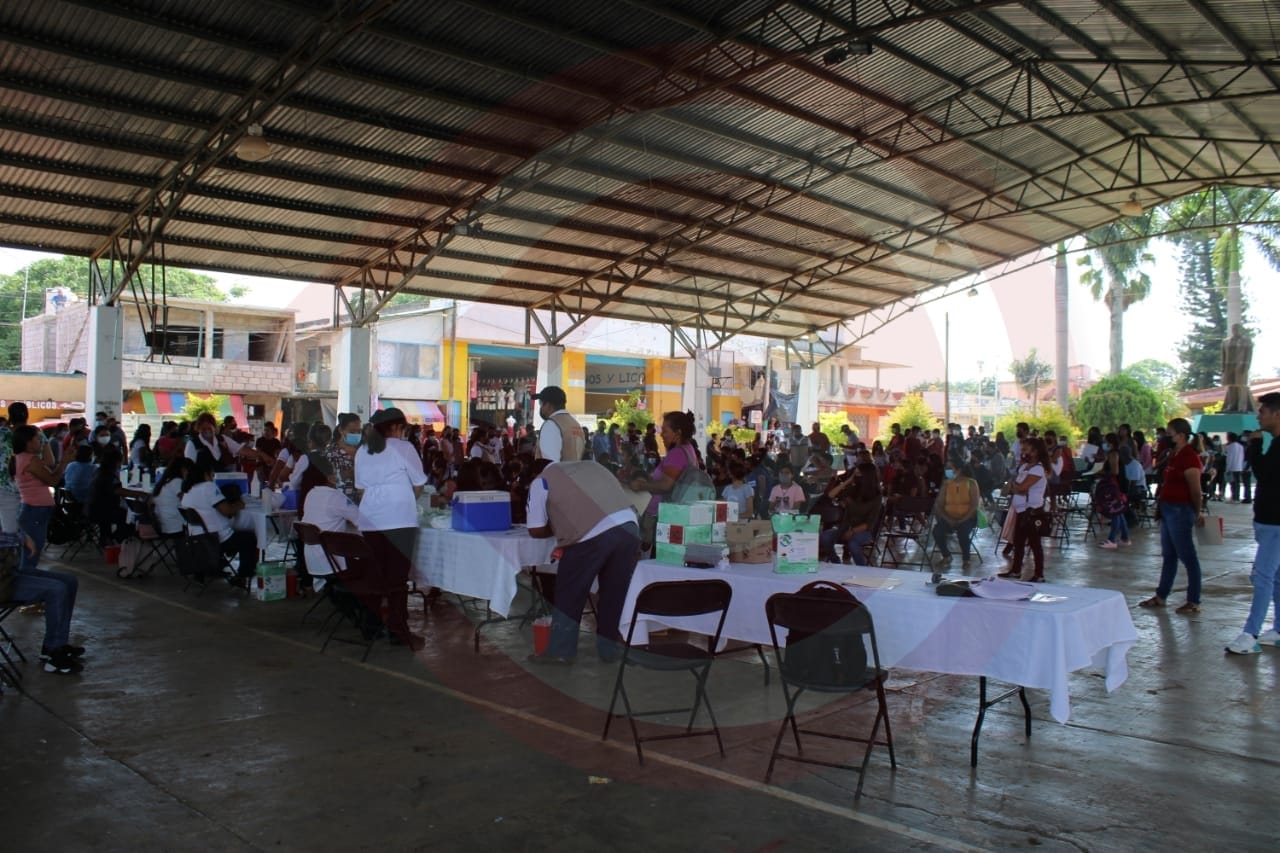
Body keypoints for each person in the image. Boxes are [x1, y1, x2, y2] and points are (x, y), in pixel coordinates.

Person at [526, 458, 641, 664]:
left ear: (535, 473)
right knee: (614, 593)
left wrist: (558, 527)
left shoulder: (541, 481)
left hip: (591, 534)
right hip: (629, 527)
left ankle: (561, 651)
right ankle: (609, 649)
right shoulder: (592, 465)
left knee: (570, 592)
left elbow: (535, 529)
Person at [8, 424, 83, 675]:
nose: (40, 442)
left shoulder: (26, 459)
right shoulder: (27, 460)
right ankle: (54, 650)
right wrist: (66, 461)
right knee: (36, 570)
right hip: (33, 518)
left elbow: (50, 470)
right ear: (27, 441)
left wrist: (62, 458)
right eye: (36, 439)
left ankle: (55, 644)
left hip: (36, 517)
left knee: (68, 581)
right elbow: (52, 479)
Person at [355, 408, 428, 650]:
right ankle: (398, 631)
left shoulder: (363, 450)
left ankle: (370, 626)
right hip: (399, 520)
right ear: (396, 427)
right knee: (397, 580)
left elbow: (361, 490)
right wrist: (405, 498)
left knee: (375, 576)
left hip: (370, 520)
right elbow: (419, 484)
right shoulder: (403, 448)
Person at [1226, 393, 1280, 654]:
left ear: (1277, 414)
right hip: (1268, 521)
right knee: (1276, 577)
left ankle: (1250, 634)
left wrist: (1255, 445)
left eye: (1263, 412)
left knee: (1262, 576)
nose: (1259, 417)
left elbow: (1264, 473)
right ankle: (1278, 629)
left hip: (1275, 523)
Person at [1139, 418, 1205, 613]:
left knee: (1188, 556)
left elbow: (1195, 490)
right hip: (1168, 509)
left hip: (1181, 510)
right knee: (1169, 555)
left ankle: (1193, 600)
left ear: (1181, 435)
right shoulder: (1174, 454)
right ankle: (1161, 595)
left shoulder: (1190, 457)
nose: (1166, 437)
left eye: (1170, 434)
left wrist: (1198, 511)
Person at [629, 410, 700, 553]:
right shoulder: (688, 449)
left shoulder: (677, 453)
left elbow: (666, 485)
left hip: (664, 518)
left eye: (665, 431)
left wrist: (641, 485)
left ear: (677, 433)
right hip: (675, 515)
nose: (661, 434)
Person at [180, 460, 259, 582]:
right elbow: (227, 511)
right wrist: (239, 504)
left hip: (196, 540)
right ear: (205, 474)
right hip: (215, 539)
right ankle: (243, 574)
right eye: (212, 475)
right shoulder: (208, 487)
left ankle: (214, 567)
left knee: (241, 535)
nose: (213, 478)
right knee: (248, 537)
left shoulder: (187, 491)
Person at [1000, 438, 1048, 582]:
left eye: (1026, 450)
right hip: (1021, 510)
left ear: (1035, 451)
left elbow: (1021, 487)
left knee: (1034, 543)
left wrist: (1015, 487)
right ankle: (1016, 570)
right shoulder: (1024, 467)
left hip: (1032, 511)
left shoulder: (1038, 469)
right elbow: (1012, 486)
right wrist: (1015, 487)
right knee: (1018, 542)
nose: (1022, 452)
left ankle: (1039, 574)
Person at [820, 462, 881, 565]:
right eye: (855, 474)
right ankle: (836, 562)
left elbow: (869, 523)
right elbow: (830, 495)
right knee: (825, 537)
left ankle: (862, 568)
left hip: (865, 531)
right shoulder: (853, 490)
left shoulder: (876, 496)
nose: (856, 477)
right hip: (845, 528)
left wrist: (852, 531)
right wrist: (848, 481)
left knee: (853, 543)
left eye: (858, 474)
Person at [933, 463, 981, 568]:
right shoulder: (946, 484)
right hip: (949, 517)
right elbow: (939, 504)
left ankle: (966, 559)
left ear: (959, 470)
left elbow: (974, 505)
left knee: (963, 533)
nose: (947, 471)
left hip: (967, 518)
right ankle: (946, 556)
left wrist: (963, 519)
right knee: (937, 532)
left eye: (950, 468)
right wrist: (948, 518)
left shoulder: (971, 483)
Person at [533, 386, 585, 462]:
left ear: (548, 405)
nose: (541, 408)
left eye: (540, 403)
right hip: (573, 469)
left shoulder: (551, 424)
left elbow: (550, 463)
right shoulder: (575, 424)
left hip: (557, 470)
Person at [151, 458, 191, 536]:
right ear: (183, 469)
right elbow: (186, 501)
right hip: (175, 524)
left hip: (163, 523)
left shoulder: (164, 482)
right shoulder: (177, 482)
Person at [1225, 432, 1246, 502]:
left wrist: (1228, 468)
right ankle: (1237, 497)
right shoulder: (1241, 446)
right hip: (1239, 467)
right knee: (1237, 483)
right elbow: (1242, 457)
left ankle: (1234, 498)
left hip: (1232, 467)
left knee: (1232, 483)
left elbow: (1229, 458)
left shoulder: (1230, 447)